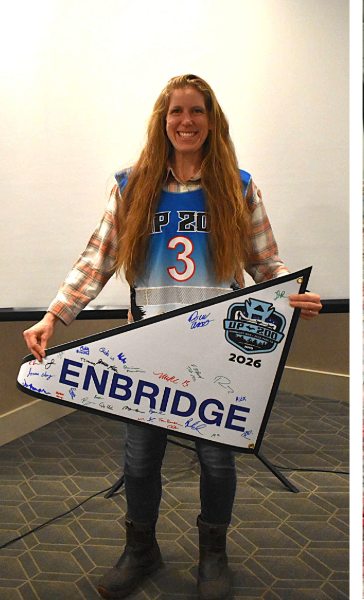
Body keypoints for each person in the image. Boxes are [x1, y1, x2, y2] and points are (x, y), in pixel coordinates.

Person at [22, 74, 322, 600]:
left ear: (212, 120)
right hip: (148, 347)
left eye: (197, 111)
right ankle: (141, 548)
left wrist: (288, 291)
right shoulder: (131, 185)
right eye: (176, 112)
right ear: (163, 121)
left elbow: (263, 260)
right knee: (139, 460)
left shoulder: (238, 185)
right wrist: (55, 315)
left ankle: (214, 554)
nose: (186, 121)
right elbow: (97, 260)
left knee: (217, 459)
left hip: (216, 353)